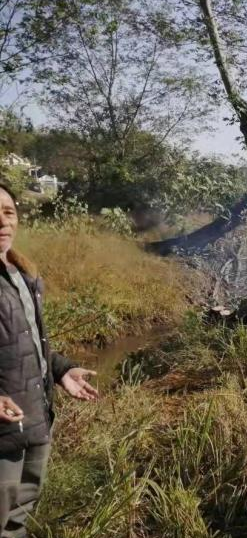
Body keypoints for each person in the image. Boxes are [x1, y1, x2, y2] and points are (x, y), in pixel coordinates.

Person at [0, 182, 99, 537]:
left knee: (19, 517)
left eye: (9, 212)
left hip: (35, 417)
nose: (3, 222)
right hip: (3, 431)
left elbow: (24, 344)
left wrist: (61, 370)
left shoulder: (20, 272)